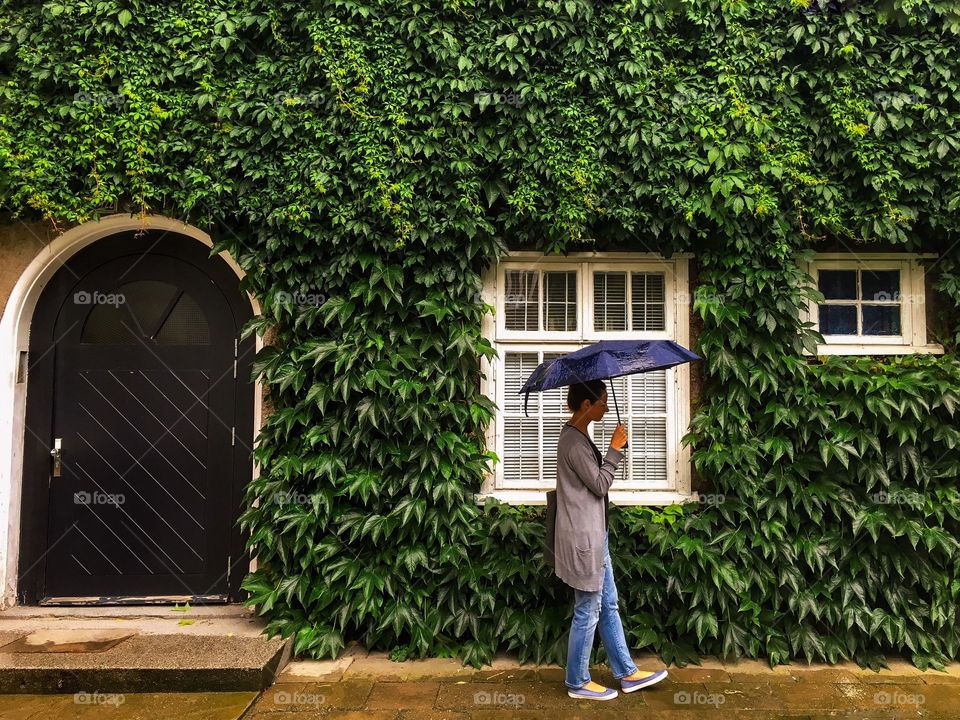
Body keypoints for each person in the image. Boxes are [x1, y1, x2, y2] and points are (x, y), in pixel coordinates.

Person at [554, 379, 668, 701]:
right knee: (587, 609)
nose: (606, 407)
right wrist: (615, 450)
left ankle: (627, 674)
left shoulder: (579, 436)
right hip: (583, 539)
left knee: (607, 605)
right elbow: (600, 484)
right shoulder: (574, 442)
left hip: (595, 535)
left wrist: (612, 451)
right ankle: (577, 681)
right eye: (601, 403)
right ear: (586, 405)